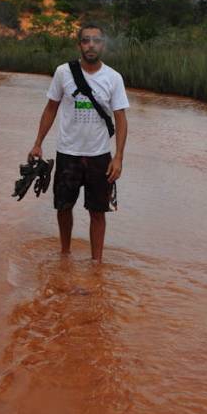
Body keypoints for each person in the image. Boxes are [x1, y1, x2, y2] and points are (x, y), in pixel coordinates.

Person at [29, 23, 129, 263]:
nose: (91, 45)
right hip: (68, 153)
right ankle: (65, 254)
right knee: (63, 207)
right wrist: (38, 143)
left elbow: (121, 120)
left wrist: (118, 158)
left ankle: (97, 263)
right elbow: (50, 108)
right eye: (86, 40)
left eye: (96, 40)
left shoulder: (113, 78)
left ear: (102, 45)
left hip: (99, 156)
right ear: (79, 45)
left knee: (98, 212)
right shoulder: (63, 73)